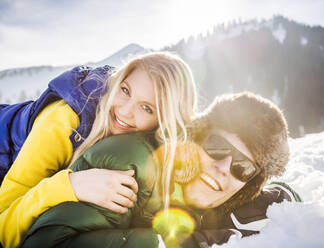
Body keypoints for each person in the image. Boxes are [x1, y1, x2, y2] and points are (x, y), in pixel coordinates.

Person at [20, 91, 301, 248]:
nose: (223, 167)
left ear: (249, 185)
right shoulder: (129, 163)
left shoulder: (217, 195)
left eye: (243, 167)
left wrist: (280, 200)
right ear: (197, 138)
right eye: (218, 147)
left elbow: (284, 194)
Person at [0, 52, 197, 248]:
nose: (125, 111)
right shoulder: (64, 123)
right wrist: (70, 185)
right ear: (117, 81)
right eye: (125, 90)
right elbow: (2, 230)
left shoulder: (150, 148)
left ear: (163, 123)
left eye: (146, 108)